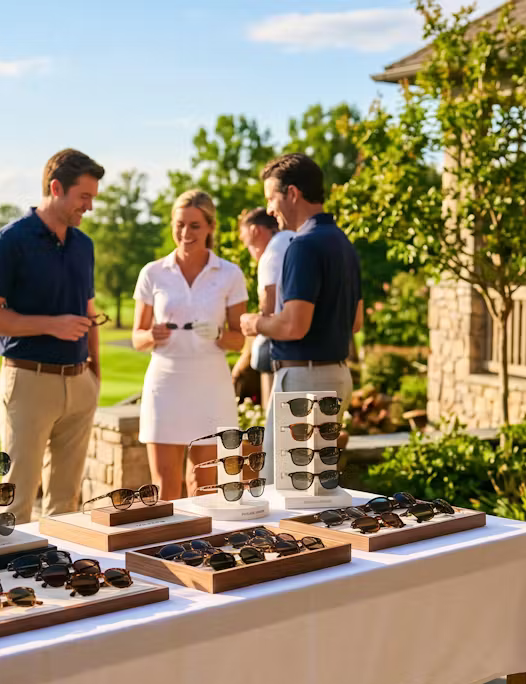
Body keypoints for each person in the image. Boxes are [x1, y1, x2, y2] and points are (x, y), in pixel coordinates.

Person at [0, 148, 105, 523]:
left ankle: (63, 563)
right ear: (56, 187)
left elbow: (89, 311)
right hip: (29, 383)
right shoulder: (9, 241)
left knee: (68, 505)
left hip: (80, 382)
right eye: (84, 196)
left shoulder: (84, 245)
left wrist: (95, 372)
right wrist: (52, 324)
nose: (90, 207)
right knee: (17, 502)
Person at [239, 153, 362, 484]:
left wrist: (255, 323)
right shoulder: (344, 244)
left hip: (303, 383)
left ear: (292, 193)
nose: (269, 209)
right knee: (312, 490)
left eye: (271, 198)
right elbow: (355, 322)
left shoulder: (303, 245)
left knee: (282, 488)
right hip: (336, 377)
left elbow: (294, 325)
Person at [132, 190, 249, 500]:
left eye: (195, 225)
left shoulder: (230, 274)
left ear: (210, 227)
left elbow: (240, 340)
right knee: (164, 486)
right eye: (180, 224)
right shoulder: (152, 273)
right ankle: (165, 535)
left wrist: (218, 334)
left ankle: (201, 535)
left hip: (210, 386)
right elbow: (137, 337)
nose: (186, 233)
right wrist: (152, 335)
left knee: (204, 486)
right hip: (165, 385)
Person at [234, 207, 294, 410]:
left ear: (254, 231)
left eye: (245, 241)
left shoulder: (271, 254)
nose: (247, 248)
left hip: (281, 355)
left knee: (275, 421)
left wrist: (251, 322)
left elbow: (268, 312)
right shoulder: (296, 242)